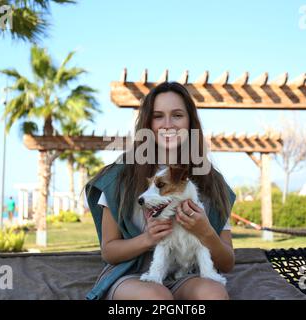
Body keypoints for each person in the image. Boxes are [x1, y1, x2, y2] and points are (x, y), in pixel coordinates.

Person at [85, 82, 236, 300]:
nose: (167, 125)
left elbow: (227, 262)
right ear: (147, 123)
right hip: (133, 274)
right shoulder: (121, 177)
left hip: (187, 273)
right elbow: (109, 250)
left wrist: (205, 232)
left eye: (177, 115)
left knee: (213, 295)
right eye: (157, 116)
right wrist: (148, 238)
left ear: (190, 122)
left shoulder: (211, 181)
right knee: (157, 299)